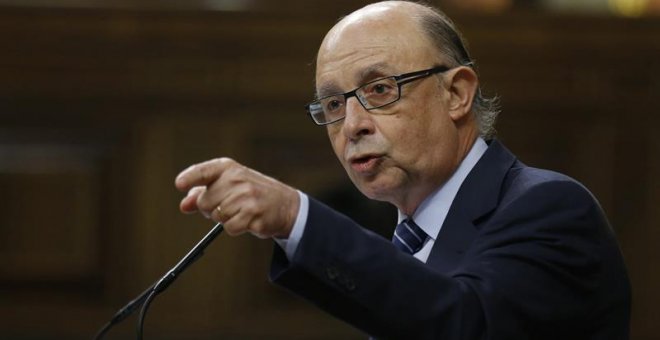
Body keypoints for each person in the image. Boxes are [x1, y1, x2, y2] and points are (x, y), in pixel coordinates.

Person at [175, 1, 631, 339]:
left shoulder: (548, 207)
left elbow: (462, 324)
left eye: (379, 89)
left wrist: (296, 218)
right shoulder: (401, 239)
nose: (352, 125)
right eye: (334, 104)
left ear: (456, 94)